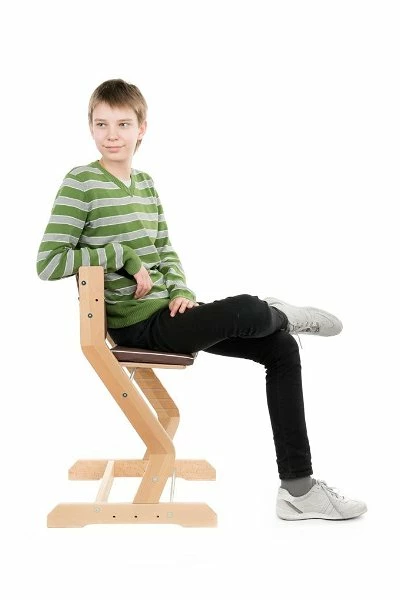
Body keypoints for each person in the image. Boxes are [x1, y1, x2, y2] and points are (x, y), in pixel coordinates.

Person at [36, 78, 367, 521]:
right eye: (101, 124)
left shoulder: (145, 184)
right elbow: (49, 262)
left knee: (281, 349)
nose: (111, 134)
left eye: (123, 124)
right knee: (248, 308)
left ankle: (299, 490)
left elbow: (164, 250)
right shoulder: (81, 182)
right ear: (90, 127)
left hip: (167, 314)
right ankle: (277, 313)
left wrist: (181, 291)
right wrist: (121, 256)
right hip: (137, 326)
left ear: (142, 128)